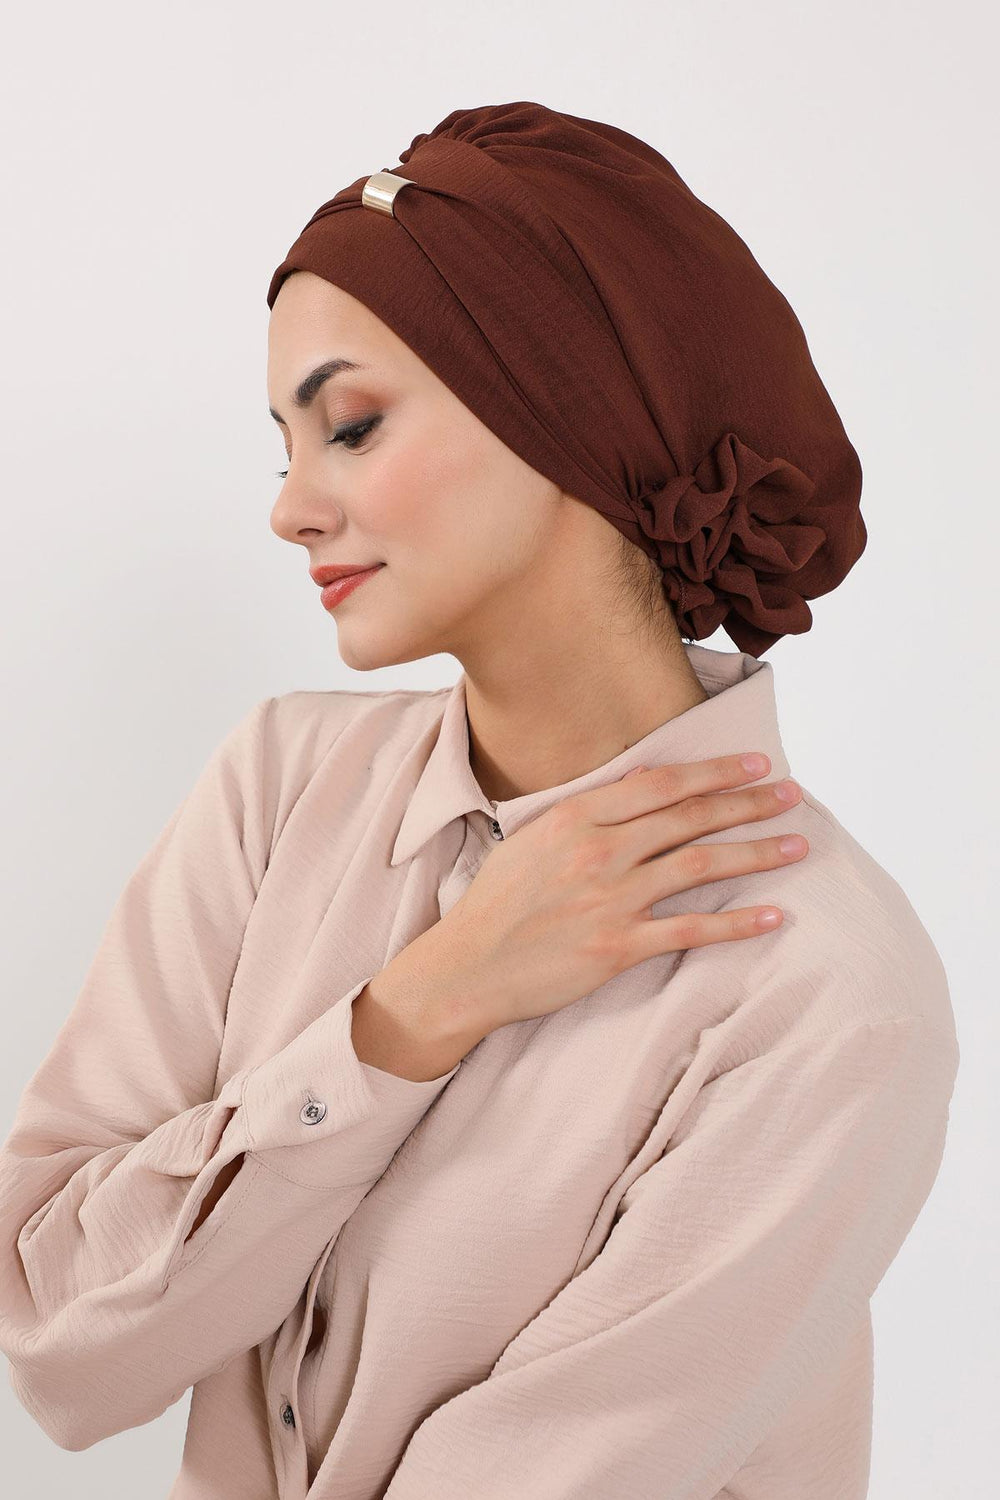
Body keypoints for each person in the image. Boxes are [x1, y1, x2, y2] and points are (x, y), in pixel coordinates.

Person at [0, 102, 958, 1499]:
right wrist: (416, 1012)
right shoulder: (279, 790)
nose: (289, 508)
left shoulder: (823, 991)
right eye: (285, 447)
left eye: (351, 426)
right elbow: (59, 1349)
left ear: (560, 413)